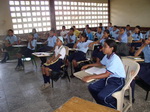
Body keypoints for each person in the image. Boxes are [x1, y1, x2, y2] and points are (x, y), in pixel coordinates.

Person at [82, 39, 126, 109]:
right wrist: (88, 65)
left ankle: (114, 107)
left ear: (112, 48)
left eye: (105, 47)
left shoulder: (115, 59)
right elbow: (100, 63)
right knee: (91, 87)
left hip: (117, 81)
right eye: (103, 46)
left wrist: (90, 77)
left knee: (103, 96)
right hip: (109, 78)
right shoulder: (107, 56)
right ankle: (102, 105)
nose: (103, 48)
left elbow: (106, 74)